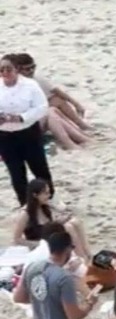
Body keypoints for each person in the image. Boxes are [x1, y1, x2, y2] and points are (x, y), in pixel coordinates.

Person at [12, 231, 98, 319]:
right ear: (67, 250)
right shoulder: (64, 278)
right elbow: (73, 317)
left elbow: (18, 298)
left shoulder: (32, 268)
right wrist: (89, 304)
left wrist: (44, 298)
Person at [0, 53, 54, 207]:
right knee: (16, 172)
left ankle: (48, 198)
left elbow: (42, 107)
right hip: (5, 136)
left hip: (28, 132)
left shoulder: (30, 85)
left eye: (8, 69)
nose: (5, 73)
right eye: (1, 70)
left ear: (16, 69)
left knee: (39, 168)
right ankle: (25, 203)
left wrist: (21, 117)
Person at [13, 178, 93, 263]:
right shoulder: (25, 214)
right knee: (68, 227)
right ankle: (82, 258)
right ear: (35, 195)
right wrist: (38, 244)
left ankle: (88, 253)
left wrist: (59, 218)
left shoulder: (45, 207)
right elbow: (17, 239)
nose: (49, 195)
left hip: (50, 238)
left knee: (75, 221)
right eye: (45, 193)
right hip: (40, 243)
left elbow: (49, 225)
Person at [15, 53, 92, 131]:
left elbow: (56, 91)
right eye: (27, 69)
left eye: (33, 67)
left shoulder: (37, 78)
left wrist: (77, 105)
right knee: (51, 111)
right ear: (18, 70)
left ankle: (80, 124)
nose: (32, 71)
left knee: (57, 100)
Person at [23, 222, 91, 297]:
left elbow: (74, 258)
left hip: (37, 282)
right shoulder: (47, 253)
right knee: (75, 280)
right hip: (39, 287)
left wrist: (78, 261)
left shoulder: (49, 247)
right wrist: (67, 269)